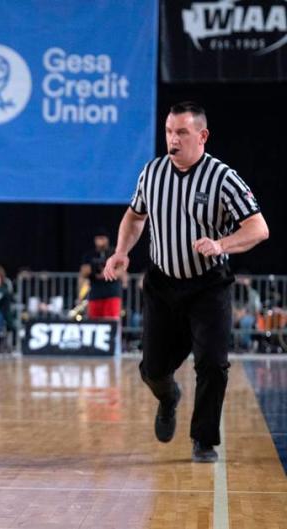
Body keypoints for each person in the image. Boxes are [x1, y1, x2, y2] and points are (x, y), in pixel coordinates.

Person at [104, 101, 269, 463]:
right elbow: (134, 217)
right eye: (168, 131)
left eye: (181, 132)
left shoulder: (223, 177)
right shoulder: (152, 173)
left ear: (202, 135)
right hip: (162, 285)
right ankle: (168, 397)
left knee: (212, 363)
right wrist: (121, 251)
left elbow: (259, 228)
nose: (172, 139)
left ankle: (203, 439)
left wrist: (221, 244)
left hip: (208, 285)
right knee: (153, 370)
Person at [80, 228, 122, 320]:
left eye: (102, 238)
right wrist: (95, 269)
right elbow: (83, 272)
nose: (100, 241)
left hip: (112, 294)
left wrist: (107, 272)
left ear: (107, 239)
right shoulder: (90, 255)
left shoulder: (114, 253)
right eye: (98, 238)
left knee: (112, 322)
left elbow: (121, 271)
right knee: (95, 324)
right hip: (95, 294)